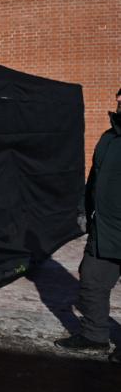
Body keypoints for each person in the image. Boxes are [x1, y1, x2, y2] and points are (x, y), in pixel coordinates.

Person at [55, 87, 121, 363]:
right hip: (104, 230)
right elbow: (93, 180)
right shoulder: (108, 139)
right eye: (119, 96)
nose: (119, 100)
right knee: (92, 280)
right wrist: (83, 210)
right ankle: (95, 336)